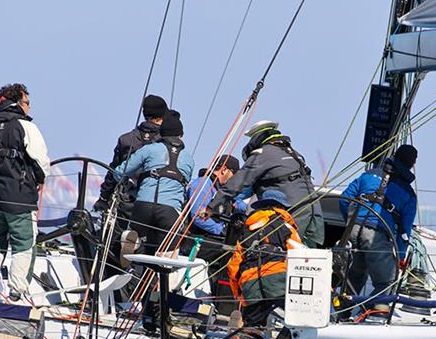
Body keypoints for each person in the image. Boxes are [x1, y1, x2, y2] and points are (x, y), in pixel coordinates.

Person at [0, 83, 50, 304]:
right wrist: (40, 181)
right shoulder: (27, 127)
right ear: (19, 103)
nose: (29, 108)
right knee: (24, 245)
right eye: (28, 103)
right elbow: (41, 162)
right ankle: (16, 294)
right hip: (20, 199)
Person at [205, 121, 325, 248]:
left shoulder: (264, 153)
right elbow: (252, 187)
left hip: (291, 212)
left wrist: (211, 206)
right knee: (306, 258)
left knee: (278, 254)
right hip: (314, 213)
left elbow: (240, 181)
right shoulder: (293, 154)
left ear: (256, 139)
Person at [339, 145, 418, 313]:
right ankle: (367, 313)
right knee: (386, 283)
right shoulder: (409, 194)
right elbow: (404, 231)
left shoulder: (367, 176)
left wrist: (350, 222)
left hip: (353, 231)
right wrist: (401, 256)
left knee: (354, 276)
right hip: (376, 236)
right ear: (412, 163)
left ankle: (342, 314)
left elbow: (344, 200)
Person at [112, 110, 194, 254]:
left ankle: (133, 238)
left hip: (143, 206)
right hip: (170, 211)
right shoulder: (189, 159)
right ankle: (162, 265)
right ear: (180, 136)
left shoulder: (149, 149)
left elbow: (120, 171)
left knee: (136, 231)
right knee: (167, 253)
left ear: (161, 134)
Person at [227, 190, 305, 326]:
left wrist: (239, 294)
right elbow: (301, 256)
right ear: (280, 208)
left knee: (252, 330)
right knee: (293, 324)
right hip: (279, 284)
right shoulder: (284, 227)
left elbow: (233, 265)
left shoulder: (247, 231)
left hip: (250, 286)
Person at [94, 94, 169, 212]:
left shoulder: (126, 139)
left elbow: (113, 171)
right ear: (162, 116)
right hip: (155, 206)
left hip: (125, 204)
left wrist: (103, 198)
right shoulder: (166, 143)